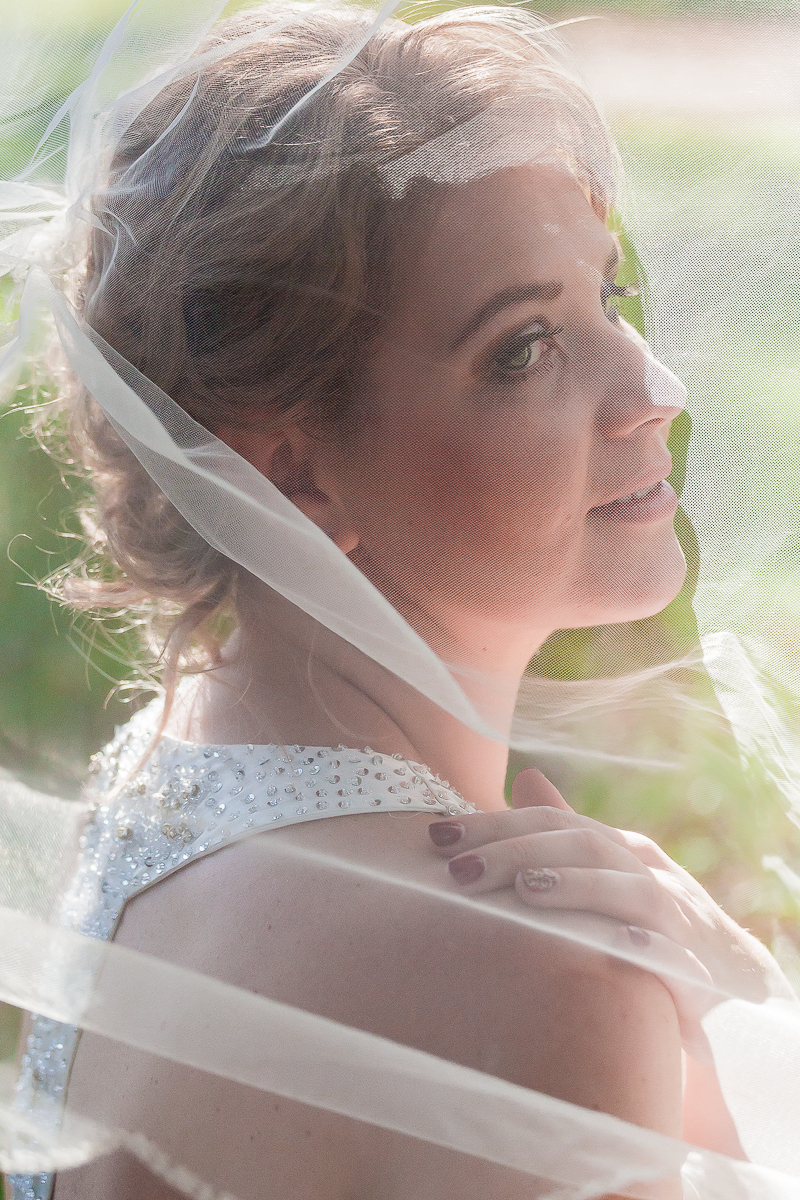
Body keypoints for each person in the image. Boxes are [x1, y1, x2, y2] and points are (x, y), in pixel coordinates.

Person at [2, 3, 796, 1199]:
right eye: (523, 348)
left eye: (611, 298)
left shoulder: (154, 789)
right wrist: (738, 1016)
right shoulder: (544, 983)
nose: (653, 387)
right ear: (292, 472)